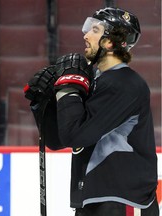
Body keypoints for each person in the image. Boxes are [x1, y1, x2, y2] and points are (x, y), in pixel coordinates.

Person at [24, 7, 159, 216]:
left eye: (94, 30)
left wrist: (68, 89)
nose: (85, 35)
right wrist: (45, 102)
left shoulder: (125, 84)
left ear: (110, 42)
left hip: (121, 200)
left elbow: (75, 135)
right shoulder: (97, 81)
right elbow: (57, 140)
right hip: (95, 198)